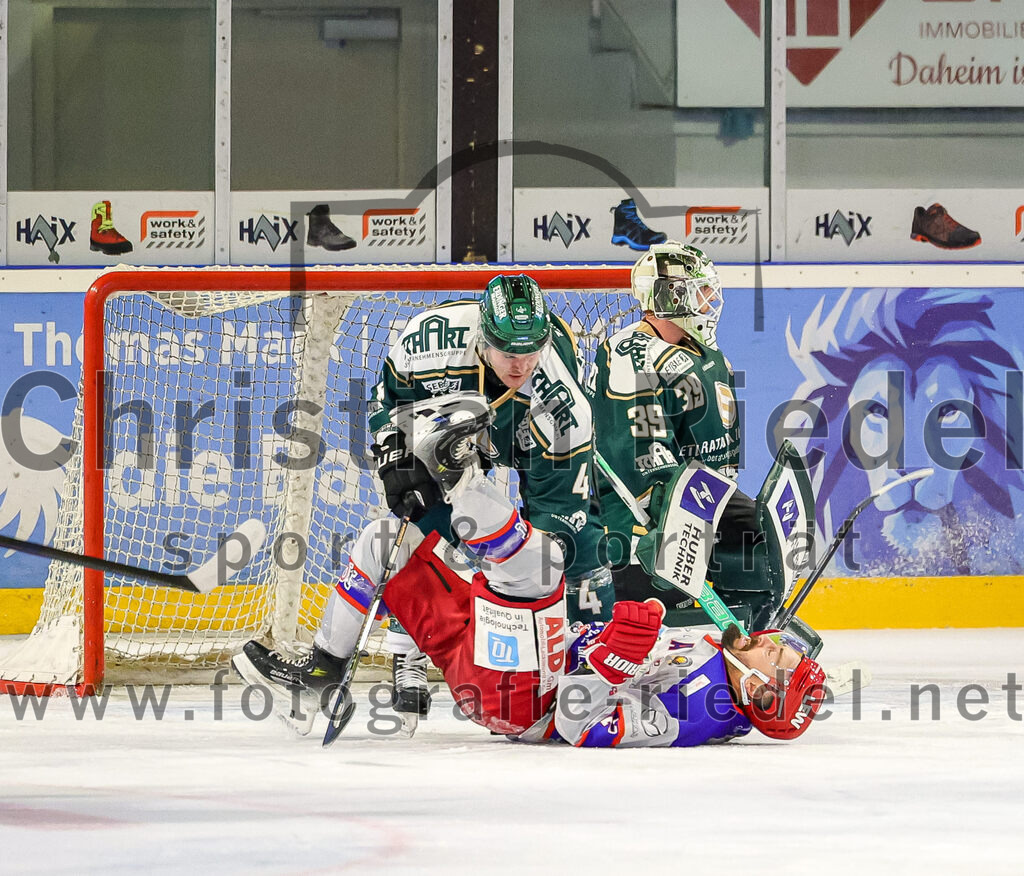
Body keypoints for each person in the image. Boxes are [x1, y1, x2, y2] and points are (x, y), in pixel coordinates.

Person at [233, 275, 612, 730]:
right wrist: (396, 455)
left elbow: (558, 528)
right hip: (496, 671)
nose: (522, 365)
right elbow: (387, 402)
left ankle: (577, 661)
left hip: (526, 453)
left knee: (565, 545)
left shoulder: (562, 407)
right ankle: (331, 671)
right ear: (482, 337)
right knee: (392, 536)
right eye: (509, 352)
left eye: (532, 352)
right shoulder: (432, 341)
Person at [591, 242, 782, 630]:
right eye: (699, 290)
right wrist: (671, 524)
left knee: (763, 536)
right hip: (644, 527)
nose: (709, 299)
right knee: (657, 640)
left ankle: (755, 635)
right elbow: (641, 455)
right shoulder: (631, 355)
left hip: (697, 510)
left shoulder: (705, 354)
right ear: (670, 295)